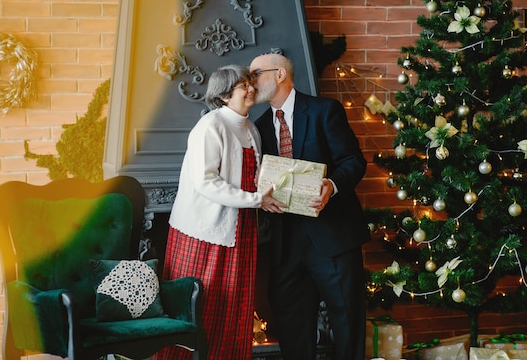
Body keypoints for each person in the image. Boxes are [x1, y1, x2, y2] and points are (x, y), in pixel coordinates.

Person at [153, 64, 286, 360]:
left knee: (233, 310)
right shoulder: (210, 126)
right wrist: (255, 199)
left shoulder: (251, 129)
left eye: (250, 83)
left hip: (241, 233)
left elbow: (255, 179)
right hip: (205, 232)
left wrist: (268, 196)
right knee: (199, 309)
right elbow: (205, 182)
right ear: (225, 96)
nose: (251, 89)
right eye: (243, 86)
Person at [251, 53, 370, 360]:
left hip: (331, 236)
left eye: (255, 74)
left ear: (279, 74)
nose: (250, 82)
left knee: (347, 320)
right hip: (285, 243)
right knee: (291, 327)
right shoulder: (259, 127)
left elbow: (353, 161)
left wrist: (331, 186)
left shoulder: (323, 111)